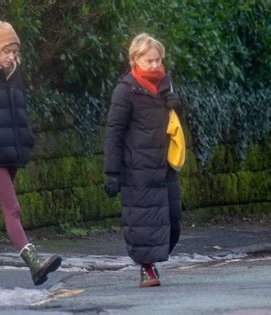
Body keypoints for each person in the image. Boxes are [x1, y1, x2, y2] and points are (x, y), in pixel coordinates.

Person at [0, 20, 62, 287]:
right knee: (12, 208)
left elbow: (20, 116)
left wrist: (25, 141)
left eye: (15, 52)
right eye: (7, 51)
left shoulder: (14, 77)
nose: (12, 57)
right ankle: (33, 262)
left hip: (11, 153)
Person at [103, 33, 183, 288]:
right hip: (137, 170)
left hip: (165, 167)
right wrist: (112, 172)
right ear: (135, 59)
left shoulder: (165, 85)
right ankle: (147, 268)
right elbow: (114, 132)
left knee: (174, 222)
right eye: (149, 60)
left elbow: (177, 125)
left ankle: (153, 262)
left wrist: (179, 105)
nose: (155, 65)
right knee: (144, 224)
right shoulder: (125, 90)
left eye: (158, 60)